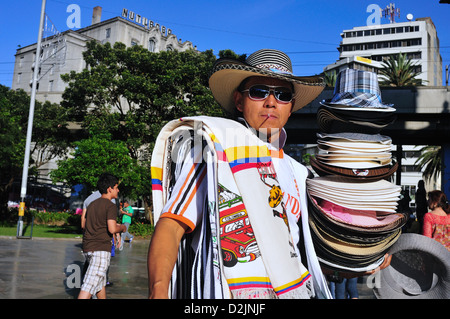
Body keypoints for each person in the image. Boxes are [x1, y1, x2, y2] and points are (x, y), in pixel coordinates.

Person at [147, 49, 391, 299]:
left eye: (283, 95)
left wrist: (363, 259)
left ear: (291, 107)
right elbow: (172, 224)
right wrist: (158, 291)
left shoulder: (299, 174)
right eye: (259, 91)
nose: (271, 102)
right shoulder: (214, 150)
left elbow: (300, 254)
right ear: (239, 101)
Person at [78, 173, 127, 299]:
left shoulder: (92, 204)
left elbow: (85, 225)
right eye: (116, 187)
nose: (118, 190)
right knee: (87, 287)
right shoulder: (110, 205)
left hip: (88, 248)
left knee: (100, 283)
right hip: (100, 250)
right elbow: (112, 228)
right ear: (109, 189)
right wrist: (122, 227)